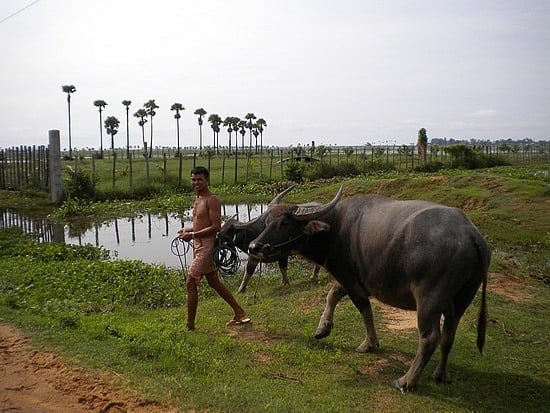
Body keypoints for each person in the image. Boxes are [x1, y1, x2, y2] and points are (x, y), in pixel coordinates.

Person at [178, 166, 250, 331]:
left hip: (207, 248)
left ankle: (190, 325)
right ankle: (239, 311)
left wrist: (193, 234)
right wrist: (187, 230)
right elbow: (200, 223)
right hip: (198, 245)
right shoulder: (198, 198)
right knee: (214, 282)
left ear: (207, 180)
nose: (196, 183)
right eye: (194, 179)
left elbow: (216, 227)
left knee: (190, 283)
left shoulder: (212, 200)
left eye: (200, 180)